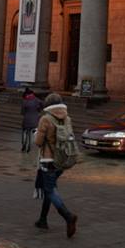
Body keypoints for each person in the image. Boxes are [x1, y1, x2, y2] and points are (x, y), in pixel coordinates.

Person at [34, 92, 78, 237]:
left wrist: (37, 134)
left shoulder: (45, 119)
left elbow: (38, 142)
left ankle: (68, 216)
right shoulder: (67, 118)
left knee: (50, 190)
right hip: (62, 160)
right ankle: (42, 219)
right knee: (49, 188)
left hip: (48, 160)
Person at [20, 87, 42, 152]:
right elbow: (42, 105)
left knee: (24, 131)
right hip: (35, 120)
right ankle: (30, 146)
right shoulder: (37, 100)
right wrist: (38, 111)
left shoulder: (25, 101)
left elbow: (22, 112)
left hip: (26, 119)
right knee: (33, 131)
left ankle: (24, 144)